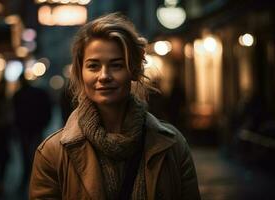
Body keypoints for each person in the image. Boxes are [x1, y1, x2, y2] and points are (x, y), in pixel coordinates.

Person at [29, 13, 201, 200]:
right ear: (80, 73)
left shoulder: (172, 146)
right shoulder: (52, 153)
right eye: (93, 66)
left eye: (116, 65)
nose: (104, 76)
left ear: (133, 70)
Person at [12, 74, 52, 191]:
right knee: (36, 155)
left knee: (26, 155)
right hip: (35, 128)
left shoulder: (18, 95)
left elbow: (15, 114)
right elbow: (47, 108)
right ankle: (36, 181)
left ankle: (27, 180)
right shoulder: (39, 93)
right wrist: (44, 123)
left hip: (24, 129)